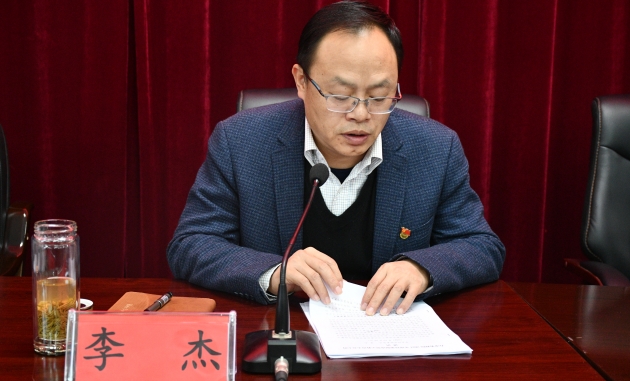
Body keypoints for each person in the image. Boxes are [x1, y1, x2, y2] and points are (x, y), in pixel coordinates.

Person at [167, 0, 505, 316]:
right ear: (301, 81)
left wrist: (421, 269)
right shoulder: (241, 141)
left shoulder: (435, 148)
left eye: (379, 96)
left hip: (386, 335)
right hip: (283, 331)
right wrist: (273, 273)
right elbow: (190, 244)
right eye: (341, 96)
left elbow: (481, 246)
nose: (361, 114)